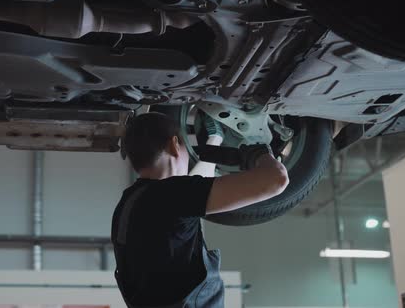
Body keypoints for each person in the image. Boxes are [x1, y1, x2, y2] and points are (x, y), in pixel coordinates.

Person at [112, 112, 289, 307]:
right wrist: (257, 153)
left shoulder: (131, 202)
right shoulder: (171, 196)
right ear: (174, 144)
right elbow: (275, 179)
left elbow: (193, 189)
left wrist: (217, 141)